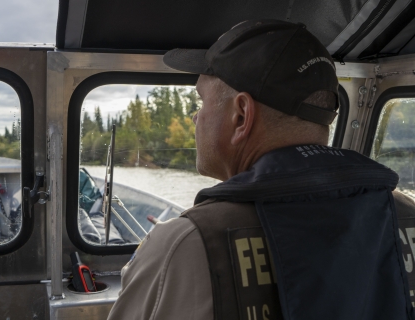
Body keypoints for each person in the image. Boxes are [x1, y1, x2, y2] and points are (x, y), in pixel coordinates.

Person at [107, 19, 415, 320]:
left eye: (201, 101)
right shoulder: (405, 213)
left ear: (241, 116)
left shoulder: (186, 244)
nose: (195, 117)